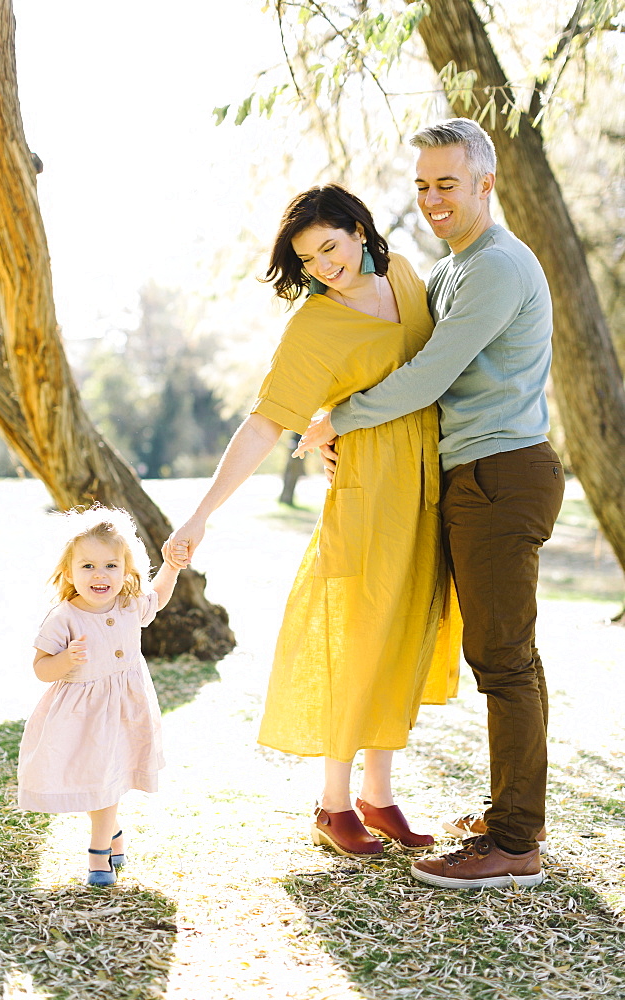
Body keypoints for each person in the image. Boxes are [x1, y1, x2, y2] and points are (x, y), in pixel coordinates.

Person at [295, 119, 565, 888]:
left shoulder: (496, 268)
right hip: (467, 477)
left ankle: (516, 842)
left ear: (485, 184)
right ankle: (508, 810)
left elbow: (429, 378)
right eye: (421, 185)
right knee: (496, 653)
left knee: (505, 659)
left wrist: (334, 421)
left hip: (500, 475)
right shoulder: (451, 269)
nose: (432, 198)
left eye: (448, 183)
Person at [169, 184, 461, 860]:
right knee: (357, 635)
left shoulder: (407, 275)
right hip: (367, 493)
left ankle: (379, 797)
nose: (324, 266)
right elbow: (267, 420)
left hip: (431, 486)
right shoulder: (314, 323)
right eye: (308, 259)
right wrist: (202, 513)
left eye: (330, 247)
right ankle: (334, 805)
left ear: (359, 230)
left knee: (409, 631)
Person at [17, 505, 185, 886]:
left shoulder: (127, 604)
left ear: (126, 569)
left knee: (108, 775)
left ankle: (100, 850)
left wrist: (171, 566)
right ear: (69, 572)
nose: (100, 575)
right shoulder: (64, 617)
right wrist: (64, 659)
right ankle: (109, 837)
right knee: (96, 777)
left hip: (125, 708)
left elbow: (156, 598)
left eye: (111, 565)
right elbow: (41, 669)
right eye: (88, 566)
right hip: (81, 715)